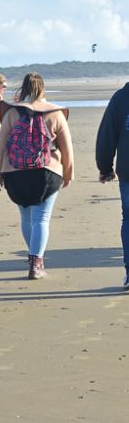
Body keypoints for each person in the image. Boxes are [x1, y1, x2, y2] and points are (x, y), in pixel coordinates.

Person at [0, 72, 74, 279]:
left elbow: (0, 147)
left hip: (15, 174)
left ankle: (33, 257)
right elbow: (67, 148)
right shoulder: (55, 113)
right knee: (41, 218)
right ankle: (36, 263)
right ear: (43, 88)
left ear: (23, 89)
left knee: (26, 217)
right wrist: (68, 173)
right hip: (47, 173)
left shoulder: (12, 114)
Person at [95, 82, 129, 290]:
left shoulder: (121, 98)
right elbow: (107, 135)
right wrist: (105, 167)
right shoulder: (120, 98)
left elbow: (107, 136)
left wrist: (105, 167)